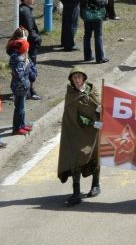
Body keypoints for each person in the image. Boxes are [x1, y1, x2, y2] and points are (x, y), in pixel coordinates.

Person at [57, 67, 102, 207]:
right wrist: (91, 122)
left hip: (94, 132)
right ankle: (76, 192)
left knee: (95, 156)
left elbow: (100, 105)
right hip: (78, 132)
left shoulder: (93, 90)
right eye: (74, 77)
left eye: (79, 77)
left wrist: (101, 109)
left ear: (84, 78)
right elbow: (73, 117)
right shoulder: (71, 95)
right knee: (76, 159)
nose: (77, 80)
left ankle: (96, 185)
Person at [79, 0, 109, 64]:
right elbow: (98, 2)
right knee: (98, 36)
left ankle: (87, 56)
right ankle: (100, 57)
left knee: (87, 35)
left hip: (86, 15)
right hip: (96, 15)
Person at [8, 38, 36, 136]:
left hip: (20, 86)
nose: (28, 49)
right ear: (24, 49)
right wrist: (27, 66)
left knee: (22, 107)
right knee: (19, 108)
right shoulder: (19, 61)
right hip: (20, 87)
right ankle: (17, 128)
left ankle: (22, 124)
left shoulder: (16, 56)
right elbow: (19, 75)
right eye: (27, 47)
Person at [18, 0, 42, 72]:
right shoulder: (25, 12)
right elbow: (29, 29)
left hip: (27, 43)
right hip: (30, 44)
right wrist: (38, 39)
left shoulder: (24, 9)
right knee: (30, 66)